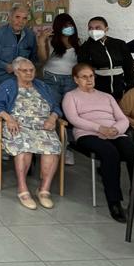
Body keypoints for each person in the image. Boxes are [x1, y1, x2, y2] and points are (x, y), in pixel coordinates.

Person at [62, 63, 134, 222]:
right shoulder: (71, 96)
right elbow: (74, 119)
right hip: (87, 133)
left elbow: (123, 119)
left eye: (91, 76)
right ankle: (114, 202)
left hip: (114, 132)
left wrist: (116, 129)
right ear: (76, 79)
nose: (89, 80)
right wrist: (99, 128)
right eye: (84, 77)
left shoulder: (107, 96)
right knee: (110, 153)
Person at [0, 57, 62, 210]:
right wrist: (9, 119)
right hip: (17, 126)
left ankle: (44, 190)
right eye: (24, 70)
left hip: (43, 126)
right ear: (16, 72)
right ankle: (23, 190)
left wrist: (52, 118)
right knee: (24, 148)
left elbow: (56, 106)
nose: (29, 73)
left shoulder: (42, 85)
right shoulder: (8, 86)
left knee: (53, 148)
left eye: (31, 70)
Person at [38, 13, 81, 166]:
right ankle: (52, 145)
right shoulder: (52, 41)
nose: (68, 28)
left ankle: (66, 148)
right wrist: (41, 41)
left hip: (71, 80)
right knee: (53, 111)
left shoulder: (78, 42)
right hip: (52, 79)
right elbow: (42, 60)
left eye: (70, 25)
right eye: (64, 26)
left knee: (69, 113)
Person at [76, 16, 134, 101]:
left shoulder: (119, 44)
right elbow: (83, 71)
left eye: (98, 28)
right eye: (90, 28)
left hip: (120, 89)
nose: (93, 30)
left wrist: (130, 87)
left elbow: (128, 67)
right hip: (98, 91)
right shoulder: (85, 47)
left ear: (106, 29)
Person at [0, 6, 37, 90]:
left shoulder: (30, 35)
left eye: (24, 18)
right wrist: (5, 66)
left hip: (22, 81)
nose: (20, 21)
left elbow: (34, 58)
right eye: (17, 17)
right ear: (10, 18)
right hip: (1, 81)